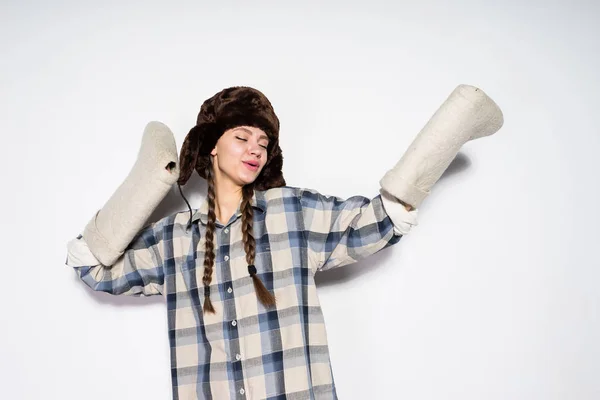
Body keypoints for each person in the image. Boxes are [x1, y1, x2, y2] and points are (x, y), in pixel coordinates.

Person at [65, 86, 419, 399]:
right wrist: (147, 180)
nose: (255, 151)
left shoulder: (290, 210)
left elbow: (373, 221)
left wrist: (428, 159)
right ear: (213, 146)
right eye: (242, 137)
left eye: (263, 144)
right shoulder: (173, 237)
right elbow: (95, 266)